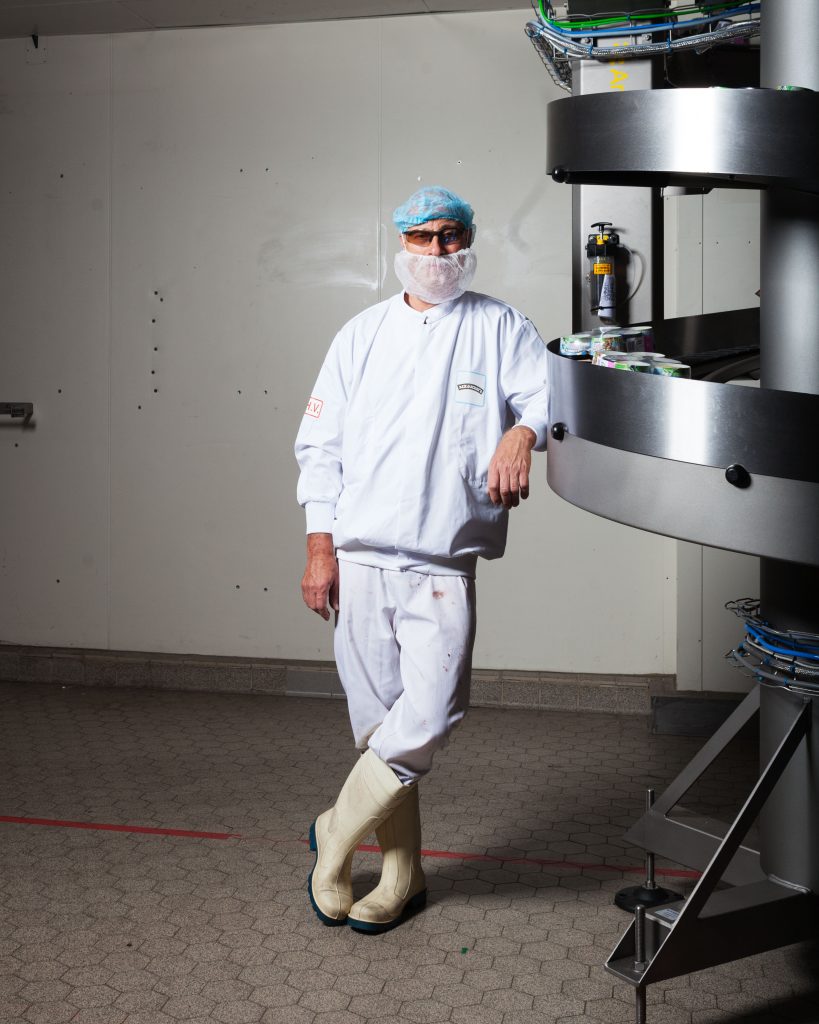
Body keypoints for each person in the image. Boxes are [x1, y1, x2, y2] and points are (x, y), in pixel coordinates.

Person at [294, 186, 550, 934]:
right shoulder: (360, 334)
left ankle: (332, 837)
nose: (438, 252)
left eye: (451, 236)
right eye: (423, 237)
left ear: (469, 240)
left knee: (426, 719)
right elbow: (320, 450)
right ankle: (401, 874)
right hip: (358, 556)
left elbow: (547, 397)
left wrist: (522, 432)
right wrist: (318, 550)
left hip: (441, 563)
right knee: (380, 733)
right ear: (399, 243)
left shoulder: (498, 325)